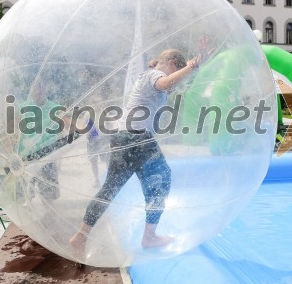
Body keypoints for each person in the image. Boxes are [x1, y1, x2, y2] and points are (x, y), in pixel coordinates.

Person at [70, 49, 200, 253]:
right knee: (162, 178)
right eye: (179, 67)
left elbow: (171, 86)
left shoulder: (146, 77)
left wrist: (195, 67)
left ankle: (80, 235)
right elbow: (166, 83)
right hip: (138, 138)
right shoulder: (154, 75)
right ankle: (149, 237)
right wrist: (190, 66)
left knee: (110, 189)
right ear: (172, 63)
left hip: (123, 137)